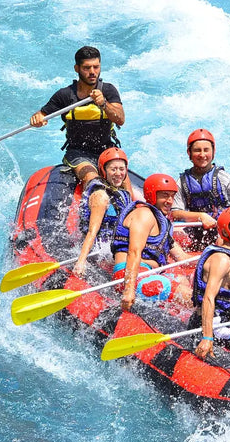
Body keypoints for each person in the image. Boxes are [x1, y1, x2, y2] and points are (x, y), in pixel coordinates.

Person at [30, 46, 125, 186]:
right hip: (78, 153)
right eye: (87, 68)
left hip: (106, 150)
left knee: (124, 183)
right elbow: (42, 114)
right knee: (93, 179)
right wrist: (37, 118)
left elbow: (120, 119)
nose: (92, 72)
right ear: (77, 68)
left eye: (96, 67)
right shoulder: (65, 95)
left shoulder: (108, 90)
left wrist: (104, 103)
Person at [111, 173, 191, 312]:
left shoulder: (161, 222)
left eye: (172, 196)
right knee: (192, 298)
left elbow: (183, 258)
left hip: (149, 274)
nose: (170, 201)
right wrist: (129, 290)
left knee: (183, 280)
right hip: (131, 277)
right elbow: (134, 251)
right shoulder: (144, 215)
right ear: (152, 195)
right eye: (165, 195)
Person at [190, 206, 230, 360]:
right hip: (214, 326)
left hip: (227, 321)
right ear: (226, 232)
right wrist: (207, 338)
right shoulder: (222, 259)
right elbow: (208, 297)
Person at [171, 128, 230, 251]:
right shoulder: (182, 182)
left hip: (224, 235)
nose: (202, 155)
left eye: (206, 150)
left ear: (213, 151)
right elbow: (175, 213)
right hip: (195, 235)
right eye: (197, 150)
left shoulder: (225, 179)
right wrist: (201, 216)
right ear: (189, 153)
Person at [72, 147, 134, 277]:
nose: (118, 173)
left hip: (116, 245)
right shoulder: (100, 196)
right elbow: (92, 232)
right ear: (104, 171)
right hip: (100, 250)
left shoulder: (122, 193)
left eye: (122, 169)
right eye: (113, 169)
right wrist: (81, 261)